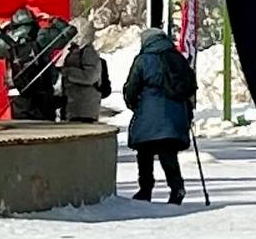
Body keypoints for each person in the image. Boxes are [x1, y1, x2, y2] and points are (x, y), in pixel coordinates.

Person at [120, 27, 198, 202]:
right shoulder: (178, 58)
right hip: (175, 112)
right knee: (168, 152)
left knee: (144, 151)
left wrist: (134, 104)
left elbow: (132, 87)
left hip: (149, 111)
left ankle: (145, 189)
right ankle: (177, 187)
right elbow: (189, 84)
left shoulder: (143, 60)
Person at [0, 7, 64, 121]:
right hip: (43, 90)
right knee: (45, 128)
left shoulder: (7, 41)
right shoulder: (42, 37)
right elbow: (70, 32)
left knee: (21, 129)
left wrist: (0, 30)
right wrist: (53, 20)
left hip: (19, 92)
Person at [61, 33, 111, 124]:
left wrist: (66, 71)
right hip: (73, 106)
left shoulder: (88, 50)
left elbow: (90, 76)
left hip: (84, 109)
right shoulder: (73, 50)